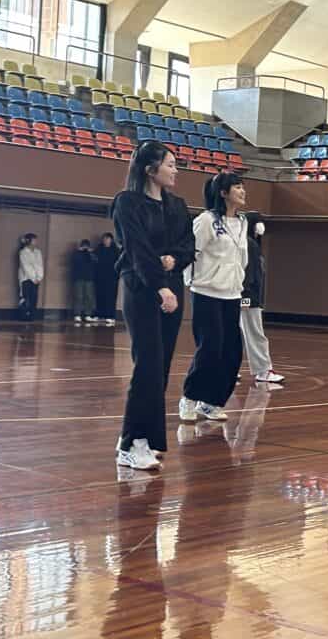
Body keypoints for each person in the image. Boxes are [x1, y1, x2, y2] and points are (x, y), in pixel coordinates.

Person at [112, 140, 195, 470]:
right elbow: (137, 249)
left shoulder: (177, 205)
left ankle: (139, 436)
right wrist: (160, 286)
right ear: (150, 169)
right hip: (142, 289)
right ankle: (132, 444)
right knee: (146, 364)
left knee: (160, 368)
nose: (175, 170)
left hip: (172, 290)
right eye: (170, 164)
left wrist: (175, 260)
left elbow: (188, 245)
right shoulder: (127, 202)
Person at [180, 172, 248, 424]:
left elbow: (241, 258)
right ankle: (189, 397)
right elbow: (190, 253)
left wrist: (240, 282)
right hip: (206, 293)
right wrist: (192, 282)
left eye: (242, 187)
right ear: (223, 193)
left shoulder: (243, 222)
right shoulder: (207, 220)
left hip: (232, 294)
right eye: (237, 187)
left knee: (232, 351)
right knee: (210, 348)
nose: (242, 191)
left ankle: (212, 402)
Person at [240, 213, 285, 388]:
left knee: (239, 333)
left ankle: (229, 368)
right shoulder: (249, 245)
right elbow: (248, 275)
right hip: (248, 299)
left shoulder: (252, 244)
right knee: (255, 333)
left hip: (248, 298)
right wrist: (246, 299)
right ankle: (263, 370)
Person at [94, 232, 121, 326]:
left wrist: (117, 275)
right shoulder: (99, 249)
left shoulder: (115, 250)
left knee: (110, 297)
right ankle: (100, 315)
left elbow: (119, 264)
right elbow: (94, 260)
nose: (105, 241)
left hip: (112, 278)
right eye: (104, 239)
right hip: (100, 277)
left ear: (111, 240)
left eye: (107, 239)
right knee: (100, 295)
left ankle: (110, 316)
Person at [17, 233, 44, 322]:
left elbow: (40, 265)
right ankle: (24, 315)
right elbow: (26, 266)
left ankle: (32, 315)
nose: (36, 242)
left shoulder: (38, 252)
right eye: (34, 240)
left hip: (36, 279)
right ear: (29, 241)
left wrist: (39, 277)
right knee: (25, 297)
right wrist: (33, 278)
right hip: (26, 278)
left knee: (34, 297)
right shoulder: (23, 252)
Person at [70, 239, 97, 324]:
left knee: (89, 296)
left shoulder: (91, 254)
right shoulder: (77, 253)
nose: (85, 248)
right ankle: (77, 314)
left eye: (86, 246)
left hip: (89, 278)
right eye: (84, 246)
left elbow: (95, 260)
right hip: (79, 278)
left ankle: (88, 314)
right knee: (79, 296)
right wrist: (79, 251)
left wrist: (90, 252)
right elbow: (74, 261)